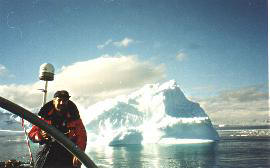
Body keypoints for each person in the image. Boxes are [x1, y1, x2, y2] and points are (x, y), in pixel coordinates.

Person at [28, 90, 87, 168]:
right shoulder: (45, 116)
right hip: (48, 150)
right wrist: (40, 135)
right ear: (54, 101)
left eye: (65, 100)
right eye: (59, 100)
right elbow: (32, 135)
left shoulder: (74, 117)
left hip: (68, 151)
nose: (62, 103)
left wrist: (79, 154)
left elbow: (82, 136)